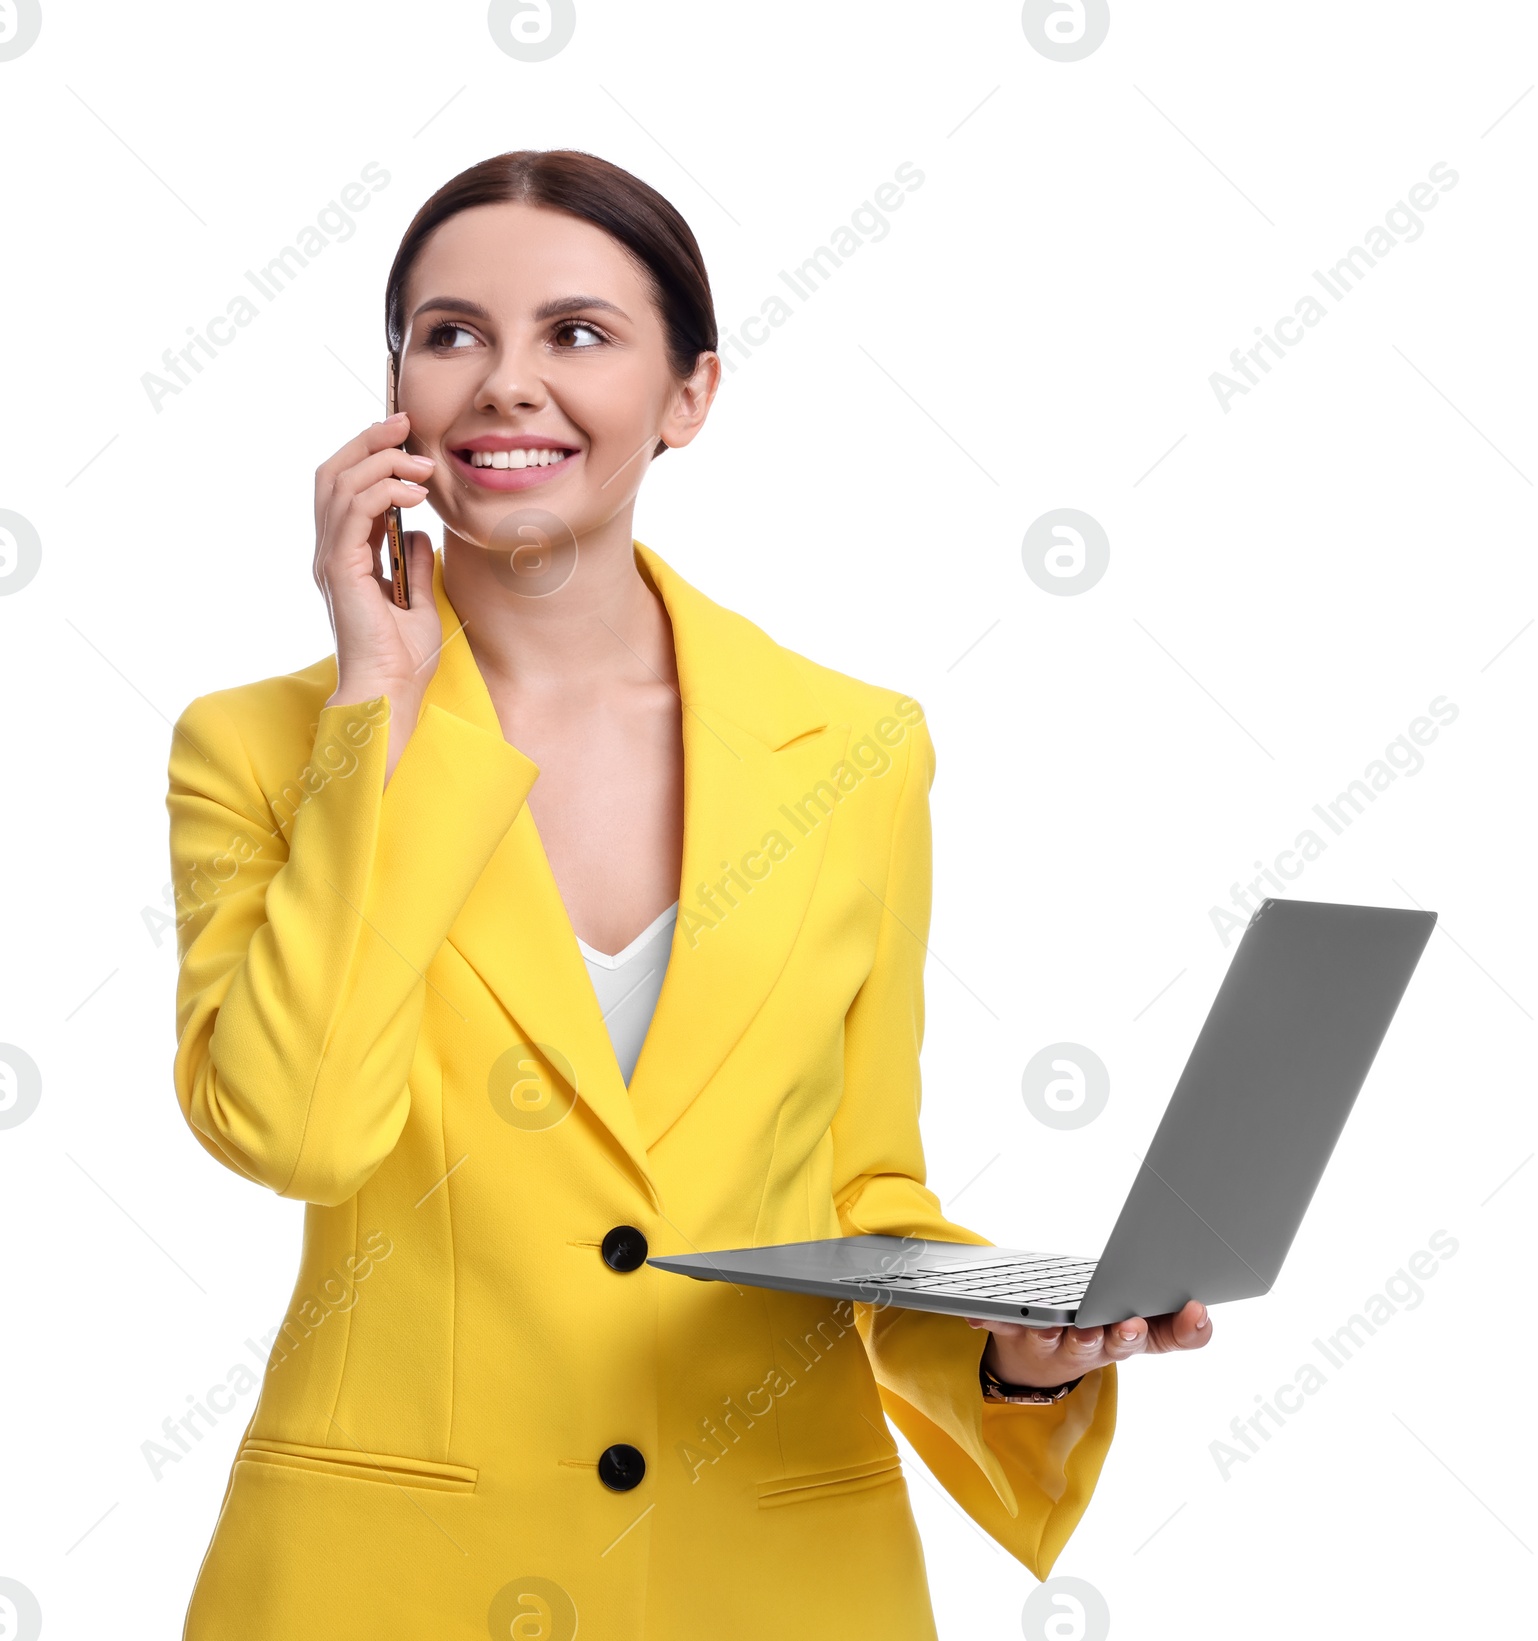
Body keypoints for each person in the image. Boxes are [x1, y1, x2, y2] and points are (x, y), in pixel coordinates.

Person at [165, 148, 1210, 1641]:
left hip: (775, 1573)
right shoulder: (259, 750)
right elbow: (301, 1130)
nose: (506, 382)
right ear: (395, 387)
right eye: (452, 333)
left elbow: (861, 1198)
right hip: (387, 1581)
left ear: (689, 396)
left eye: (577, 335)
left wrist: (1019, 1349)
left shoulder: (854, 750)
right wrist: (381, 715)